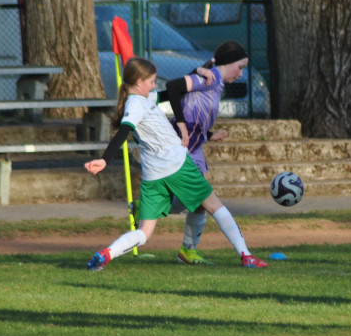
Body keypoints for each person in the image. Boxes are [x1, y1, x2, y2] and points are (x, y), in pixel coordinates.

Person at [84, 57, 267, 270]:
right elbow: (123, 131)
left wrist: (200, 69)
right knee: (215, 206)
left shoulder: (144, 97)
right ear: (139, 82)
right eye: (151, 81)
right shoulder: (135, 105)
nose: (154, 85)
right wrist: (105, 159)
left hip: (153, 175)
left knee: (144, 233)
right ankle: (246, 256)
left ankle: (107, 254)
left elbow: (175, 90)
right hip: (177, 165)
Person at [171, 40, 251, 266]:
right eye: (240, 67)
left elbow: (196, 115)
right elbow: (173, 87)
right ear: (228, 62)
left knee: (198, 202)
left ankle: (188, 250)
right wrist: (180, 124)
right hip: (182, 147)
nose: (241, 73)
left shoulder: (216, 83)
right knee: (207, 199)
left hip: (195, 147)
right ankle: (245, 254)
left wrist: (209, 134)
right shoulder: (211, 78)